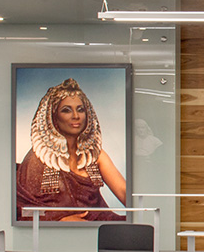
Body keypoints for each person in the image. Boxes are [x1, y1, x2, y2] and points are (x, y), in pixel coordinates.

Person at [15, 78, 126, 221]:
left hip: (97, 224)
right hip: (59, 234)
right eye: (66, 110)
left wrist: (145, 213)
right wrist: (60, 220)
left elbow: (124, 192)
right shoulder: (40, 157)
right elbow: (24, 212)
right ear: (53, 116)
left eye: (80, 110)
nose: (76, 116)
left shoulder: (94, 154)